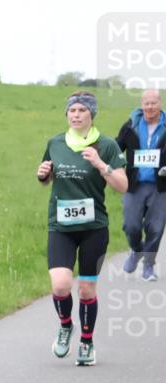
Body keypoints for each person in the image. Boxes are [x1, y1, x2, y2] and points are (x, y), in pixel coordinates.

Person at [37, 90, 127, 366]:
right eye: (72, 111)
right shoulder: (55, 143)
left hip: (94, 228)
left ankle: (86, 343)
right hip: (61, 226)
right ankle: (66, 325)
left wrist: (101, 164)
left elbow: (123, 186)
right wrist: (43, 176)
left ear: (91, 114)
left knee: (86, 290)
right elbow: (47, 176)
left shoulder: (108, 145)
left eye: (81, 111)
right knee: (62, 286)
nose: (75, 115)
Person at [116, 89, 166, 281]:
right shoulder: (131, 124)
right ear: (141, 104)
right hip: (134, 185)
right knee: (131, 226)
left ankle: (148, 266)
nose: (150, 107)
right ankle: (136, 250)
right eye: (146, 103)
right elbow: (116, 147)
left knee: (156, 228)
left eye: (153, 103)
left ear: (160, 104)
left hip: (160, 187)